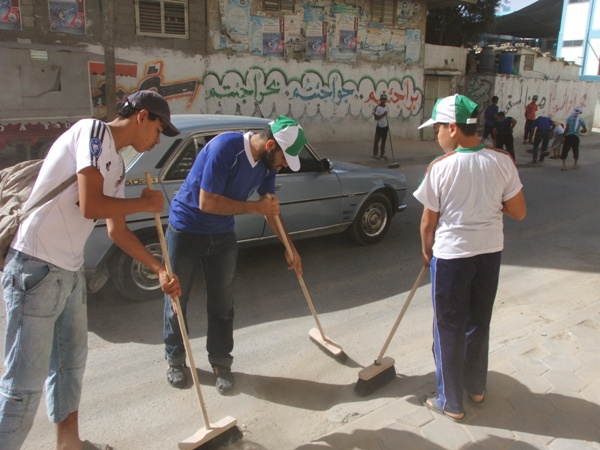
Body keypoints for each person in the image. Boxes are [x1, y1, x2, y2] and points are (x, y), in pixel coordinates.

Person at [0, 90, 182, 450]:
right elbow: (91, 205)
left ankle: (69, 444)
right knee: (22, 385)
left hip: (68, 273)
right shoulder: (94, 132)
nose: (157, 140)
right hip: (35, 267)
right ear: (142, 116)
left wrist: (159, 269)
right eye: (159, 130)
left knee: (70, 369)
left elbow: (116, 230)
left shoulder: (116, 163)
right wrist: (142, 204)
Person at [163, 115, 305, 394]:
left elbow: (270, 208)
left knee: (223, 303)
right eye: (284, 159)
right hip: (186, 229)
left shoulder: (268, 166)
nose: (284, 165)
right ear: (271, 145)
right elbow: (207, 202)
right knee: (177, 300)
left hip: (222, 235)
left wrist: (290, 247)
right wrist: (255, 209)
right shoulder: (225, 148)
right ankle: (176, 360)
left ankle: (220, 362)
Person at [414, 94, 526, 423]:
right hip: (489, 253)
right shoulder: (502, 159)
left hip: (451, 258)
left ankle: (451, 402)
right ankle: (476, 389)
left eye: (437, 128)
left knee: (448, 327)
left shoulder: (441, 167)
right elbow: (518, 211)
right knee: (478, 322)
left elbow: (427, 223)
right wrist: (492, 202)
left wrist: (426, 252)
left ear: (453, 128)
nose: (436, 135)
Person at [561, 106, 587, 171]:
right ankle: (575, 165)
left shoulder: (569, 118)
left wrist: (562, 137)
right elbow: (585, 130)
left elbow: (566, 129)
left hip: (568, 137)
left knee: (565, 151)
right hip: (575, 137)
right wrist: (581, 131)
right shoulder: (581, 119)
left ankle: (564, 166)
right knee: (575, 151)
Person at [372, 93, 389, 161]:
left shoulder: (387, 107)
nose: (383, 100)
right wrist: (382, 115)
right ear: (380, 100)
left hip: (385, 126)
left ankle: (382, 154)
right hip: (379, 127)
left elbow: (386, 115)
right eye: (382, 99)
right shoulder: (378, 107)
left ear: (386, 100)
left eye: (385, 99)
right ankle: (375, 154)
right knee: (377, 141)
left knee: (383, 141)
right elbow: (376, 118)